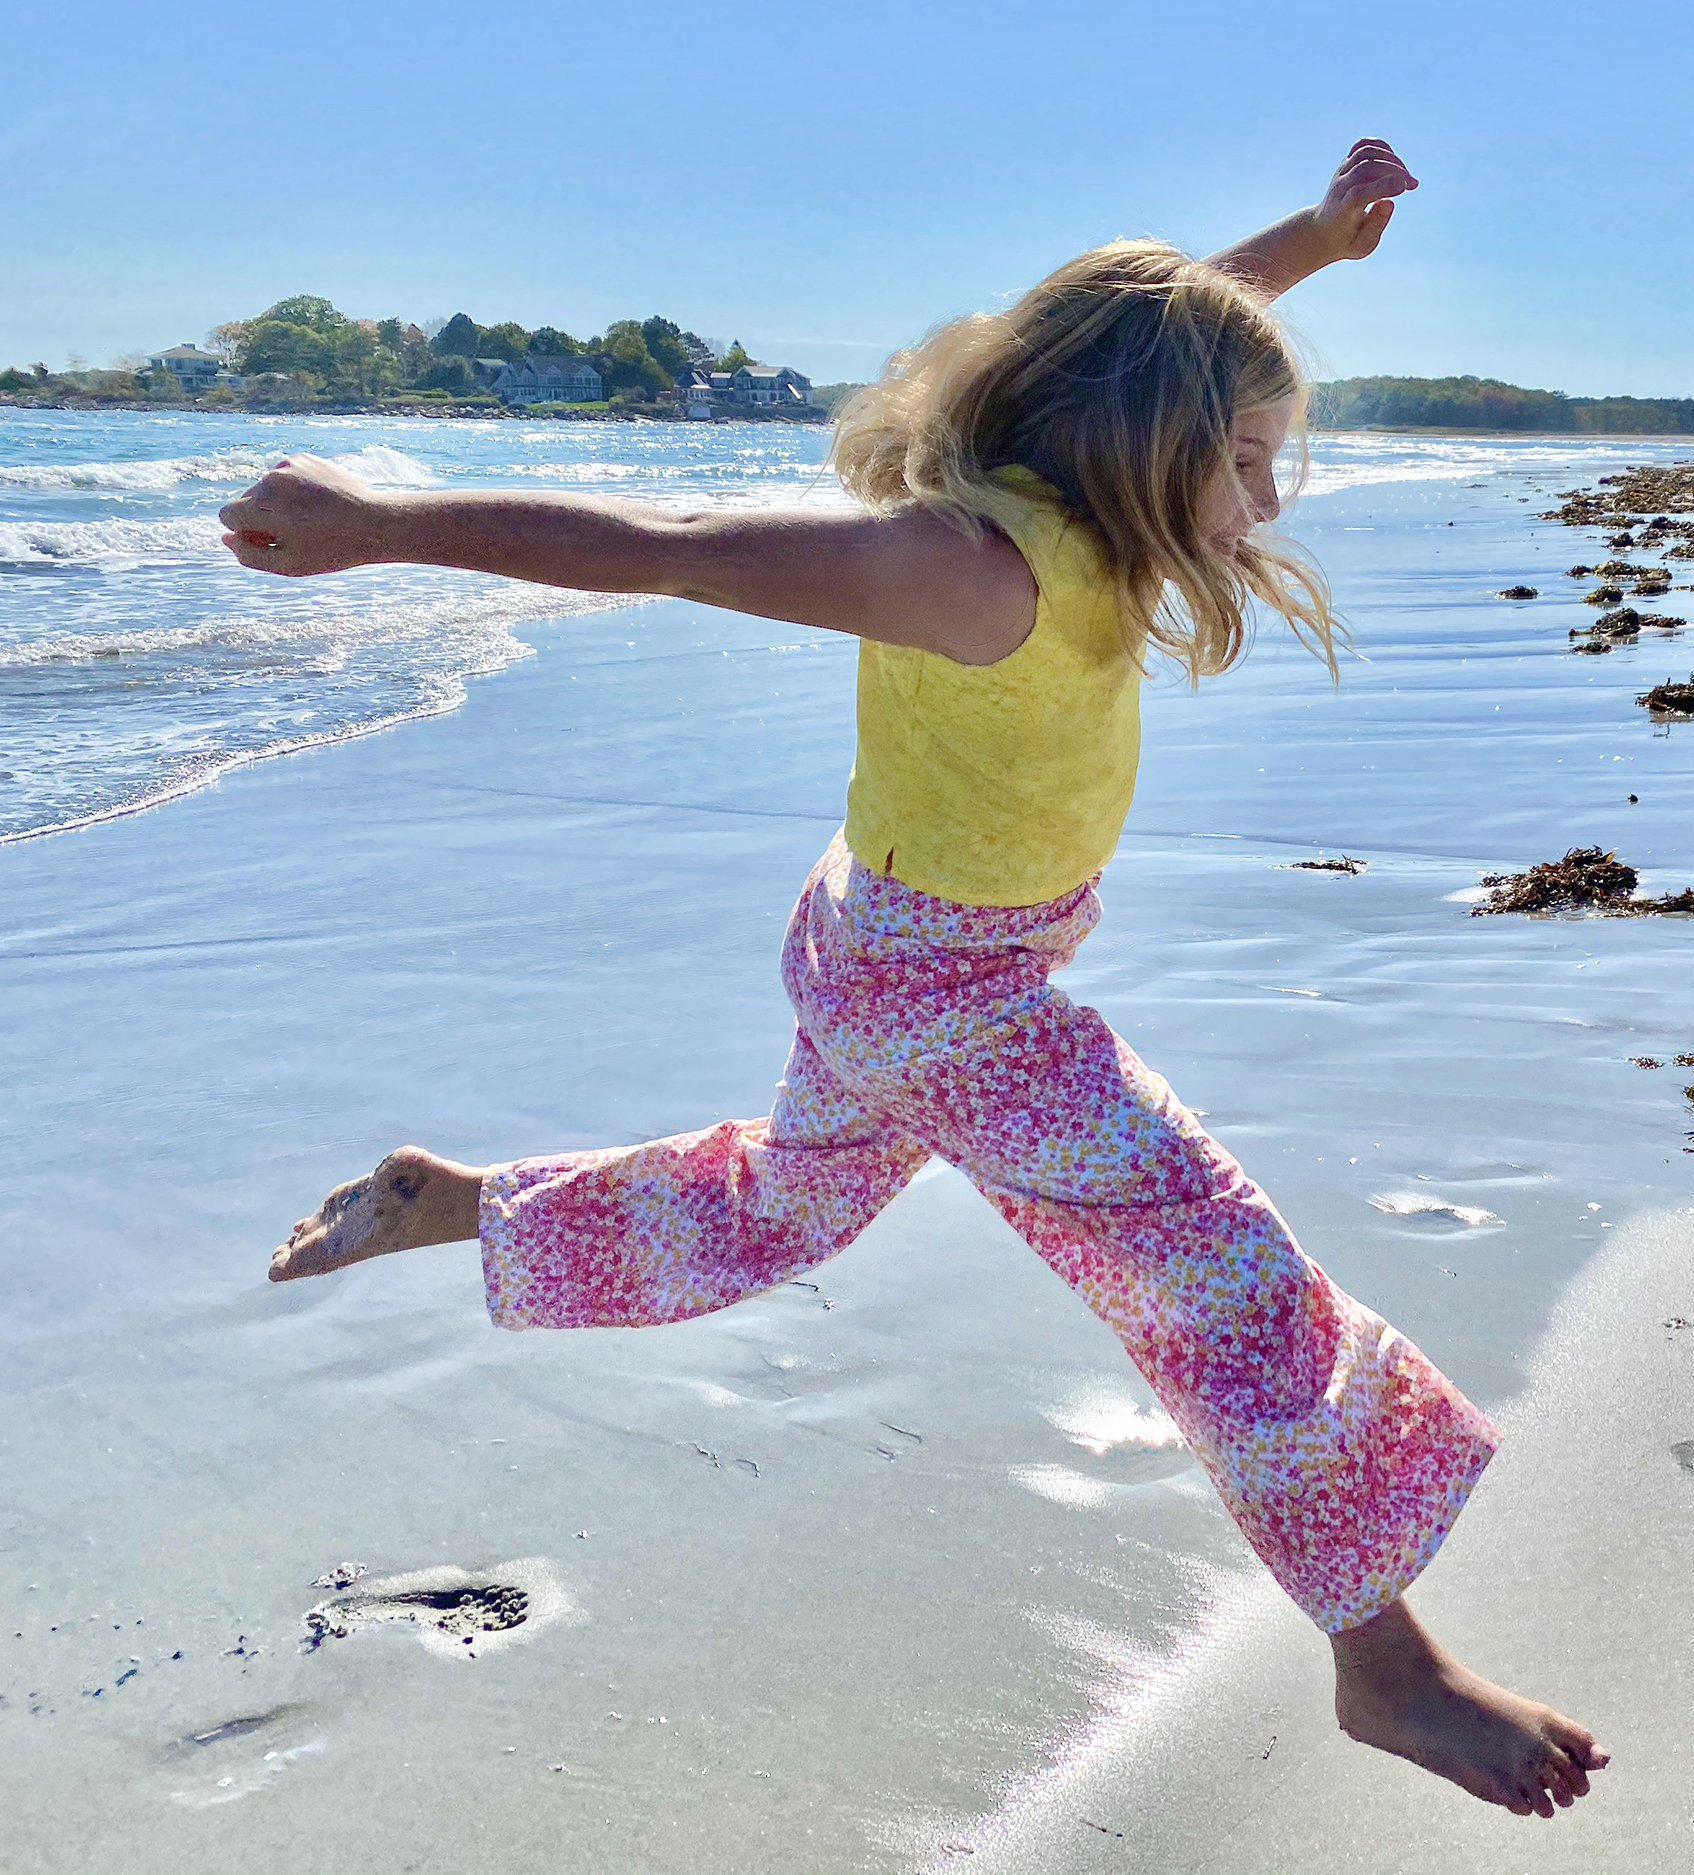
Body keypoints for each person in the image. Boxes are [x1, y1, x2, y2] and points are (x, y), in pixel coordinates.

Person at [221, 140, 1607, 1820]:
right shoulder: (977, 569)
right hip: (956, 999)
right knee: (1216, 1272)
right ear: (1145, 444)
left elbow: (1185, 321)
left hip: (893, 953)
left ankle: (468, 1204)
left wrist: (1310, 244)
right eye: (1245, 459)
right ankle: (1385, 1664)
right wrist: (380, 524)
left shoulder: (1096, 493)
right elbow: (671, 542)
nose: (1263, 500)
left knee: (778, 1211)